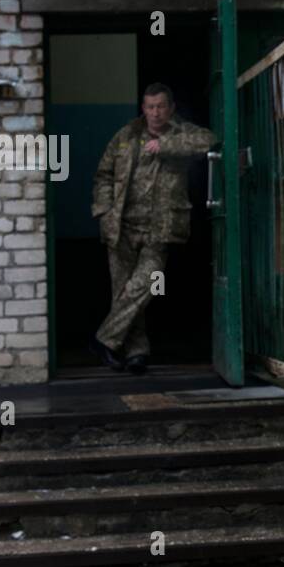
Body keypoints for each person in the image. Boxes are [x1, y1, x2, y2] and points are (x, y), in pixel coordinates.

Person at [89, 83, 217, 373]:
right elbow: (103, 175)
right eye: (150, 107)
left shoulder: (182, 133)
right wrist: (104, 210)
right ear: (143, 109)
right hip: (121, 225)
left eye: (160, 106)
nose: (155, 112)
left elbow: (210, 141)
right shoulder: (126, 136)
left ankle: (104, 339)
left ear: (171, 108)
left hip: (160, 226)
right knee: (125, 291)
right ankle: (136, 352)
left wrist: (167, 146)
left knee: (145, 283)